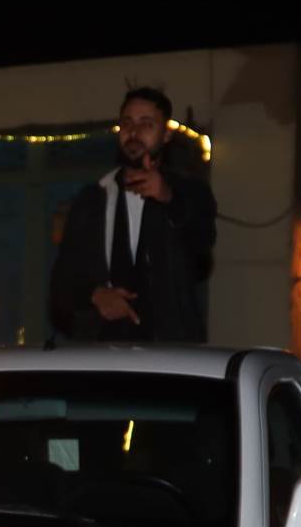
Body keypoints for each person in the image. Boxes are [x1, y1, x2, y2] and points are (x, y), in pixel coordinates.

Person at [49, 86, 218, 343]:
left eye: (146, 124)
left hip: (169, 351)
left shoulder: (189, 192)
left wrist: (168, 198)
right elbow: (61, 283)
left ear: (166, 134)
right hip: (105, 350)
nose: (134, 132)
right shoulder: (93, 198)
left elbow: (201, 254)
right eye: (127, 123)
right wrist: (94, 295)